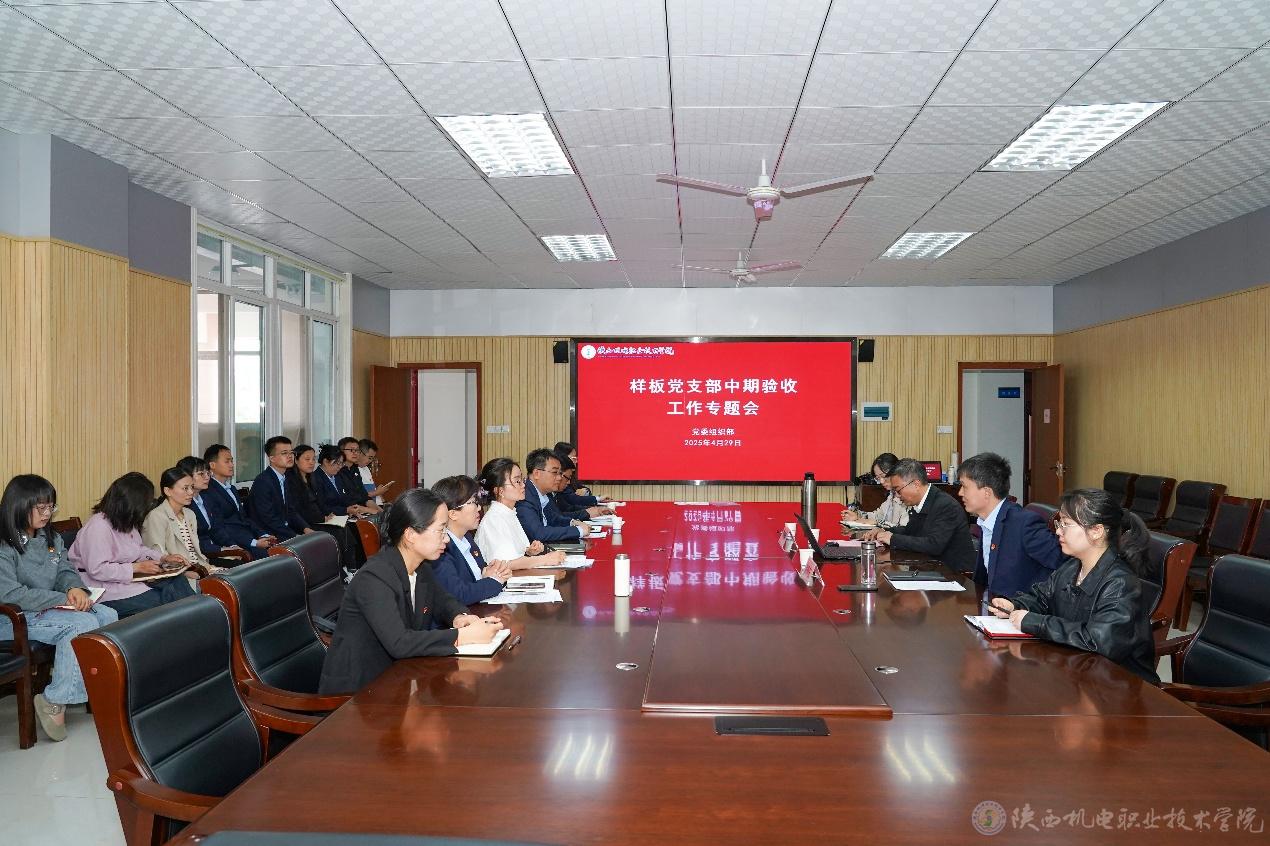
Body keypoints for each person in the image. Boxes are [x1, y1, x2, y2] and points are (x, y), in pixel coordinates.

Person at [318, 487, 503, 695]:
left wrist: (460, 617)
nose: (446, 539)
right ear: (411, 534)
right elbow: (400, 643)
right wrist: (462, 636)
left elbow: (442, 600)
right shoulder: (374, 577)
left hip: (397, 679)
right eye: (441, 530)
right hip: (358, 694)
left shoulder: (420, 566)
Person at [987, 488, 1159, 683]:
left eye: (1066, 524)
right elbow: (1042, 598)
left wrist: (1035, 622)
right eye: (1059, 523)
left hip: (1120, 685)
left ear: (1096, 531)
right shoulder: (1072, 566)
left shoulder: (1121, 583)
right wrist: (1015, 605)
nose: (1058, 531)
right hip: (1078, 672)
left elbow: (1097, 641)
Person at [0, 475, 117, 741]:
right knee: (81, 625)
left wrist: (74, 589)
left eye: (50, 507)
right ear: (18, 505)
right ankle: (54, 701)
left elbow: (65, 570)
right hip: (11, 618)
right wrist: (61, 599)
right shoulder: (4, 543)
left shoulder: (50, 536)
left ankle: (96, 690)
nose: (47, 513)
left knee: (108, 614)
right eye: (40, 507)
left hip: (46, 608)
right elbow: (9, 594)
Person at [70, 472, 196, 619]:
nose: (149, 506)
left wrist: (163, 558)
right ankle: (192, 624)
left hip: (126, 582)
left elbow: (138, 549)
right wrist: (136, 567)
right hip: (101, 589)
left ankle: (197, 620)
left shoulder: (125, 521)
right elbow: (97, 569)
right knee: (162, 602)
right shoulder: (98, 526)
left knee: (177, 581)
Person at [958, 452, 1062, 598]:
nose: (960, 493)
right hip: (990, 603)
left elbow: (1063, 564)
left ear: (986, 492)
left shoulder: (1024, 523)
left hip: (1017, 607)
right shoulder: (987, 521)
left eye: (964, 486)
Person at [865, 458, 977, 573]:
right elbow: (910, 531)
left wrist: (893, 539)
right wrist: (884, 531)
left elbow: (934, 545)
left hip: (954, 574)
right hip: (931, 567)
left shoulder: (945, 505)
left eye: (898, 490)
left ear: (916, 484)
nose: (897, 496)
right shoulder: (923, 502)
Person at [431, 475, 513, 604]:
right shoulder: (441, 548)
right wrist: (495, 581)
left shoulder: (467, 538)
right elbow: (459, 594)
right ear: (453, 514)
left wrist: (495, 572)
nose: (479, 508)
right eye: (474, 502)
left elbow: (481, 576)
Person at [474, 457, 565, 567]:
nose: (523, 485)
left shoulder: (509, 513)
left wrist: (529, 551)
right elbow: (505, 563)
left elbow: (513, 554)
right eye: (517, 481)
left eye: (522, 480)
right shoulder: (495, 519)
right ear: (500, 490)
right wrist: (545, 559)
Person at [291, 444, 363, 570]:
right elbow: (299, 510)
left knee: (348, 528)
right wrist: (321, 519)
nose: (312, 462)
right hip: (306, 523)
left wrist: (328, 516)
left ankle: (351, 568)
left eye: (313, 459)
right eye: (307, 459)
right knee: (339, 531)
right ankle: (343, 570)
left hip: (320, 518)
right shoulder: (296, 481)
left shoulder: (310, 478)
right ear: (295, 460)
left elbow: (318, 505)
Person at [202, 444, 276, 558]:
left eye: (232, 461)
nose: (232, 465)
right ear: (212, 465)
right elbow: (221, 527)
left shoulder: (231, 488)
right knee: (271, 558)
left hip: (248, 537)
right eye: (227, 461)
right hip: (234, 544)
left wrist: (263, 534)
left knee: (281, 551)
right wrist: (253, 542)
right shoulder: (209, 491)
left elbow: (244, 518)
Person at [142, 467, 215, 576]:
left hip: (200, 567)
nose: (191, 492)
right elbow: (157, 559)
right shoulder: (156, 517)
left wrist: (207, 568)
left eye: (192, 487)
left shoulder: (190, 514)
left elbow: (195, 552)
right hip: (179, 574)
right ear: (167, 491)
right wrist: (186, 574)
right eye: (185, 488)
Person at [176, 455, 247, 564]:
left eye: (208, 473)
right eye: (201, 474)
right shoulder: (183, 505)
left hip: (214, 548)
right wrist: (222, 550)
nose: (207, 477)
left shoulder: (207, 498)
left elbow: (217, 528)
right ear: (186, 477)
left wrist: (232, 545)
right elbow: (194, 541)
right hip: (199, 555)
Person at [516, 448, 590, 544]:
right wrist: (578, 531)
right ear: (537, 474)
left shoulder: (542, 493)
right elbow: (538, 533)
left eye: (560, 473)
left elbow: (553, 519)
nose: (559, 478)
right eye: (555, 472)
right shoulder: (525, 496)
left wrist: (572, 522)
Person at [249, 436, 315, 541]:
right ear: (272, 458)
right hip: (268, 536)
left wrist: (306, 528)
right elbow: (268, 518)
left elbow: (290, 510)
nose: (290, 456)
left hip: (283, 531)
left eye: (291, 452)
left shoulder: (284, 478)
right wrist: (294, 536)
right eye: (284, 453)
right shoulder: (263, 481)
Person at [841, 452, 910, 530]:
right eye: (878, 478)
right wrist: (857, 516)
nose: (881, 481)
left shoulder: (908, 496)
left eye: (883, 476)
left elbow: (904, 529)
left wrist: (877, 523)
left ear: (896, 472)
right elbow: (877, 516)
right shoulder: (892, 494)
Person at [314, 444, 374, 518]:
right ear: (326, 461)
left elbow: (345, 499)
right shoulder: (316, 478)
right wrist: (346, 510)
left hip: (343, 517)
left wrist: (353, 509)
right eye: (337, 463)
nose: (340, 467)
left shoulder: (337, 476)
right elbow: (321, 507)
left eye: (341, 463)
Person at [337, 437, 380, 515]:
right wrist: (370, 510)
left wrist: (380, 511)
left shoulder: (355, 468)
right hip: (347, 513)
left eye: (357, 450)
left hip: (361, 511)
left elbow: (364, 496)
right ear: (341, 451)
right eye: (351, 450)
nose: (355, 453)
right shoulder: (337, 471)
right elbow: (347, 500)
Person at [357, 438, 394, 505]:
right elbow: (358, 496)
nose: (371, 461)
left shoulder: (366, 468)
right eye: (369, 458)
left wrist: (384, 502)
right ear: (359, 453)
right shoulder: (352, 471)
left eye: (372, 458)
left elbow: (373, 491)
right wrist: (377, 492)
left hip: (375, 505)